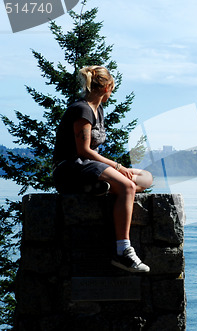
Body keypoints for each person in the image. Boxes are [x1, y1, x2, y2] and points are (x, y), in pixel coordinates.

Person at [53, 65, 153, 273]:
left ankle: (99, 187)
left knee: (145, 178)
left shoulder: (98, 110)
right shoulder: (83, 110)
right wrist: (117, 166)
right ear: (107, 87)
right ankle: (123, 251)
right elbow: (84, 151)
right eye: (112, 88)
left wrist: (117, 168)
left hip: (90, 167)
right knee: (127, 187)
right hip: (71, 167)